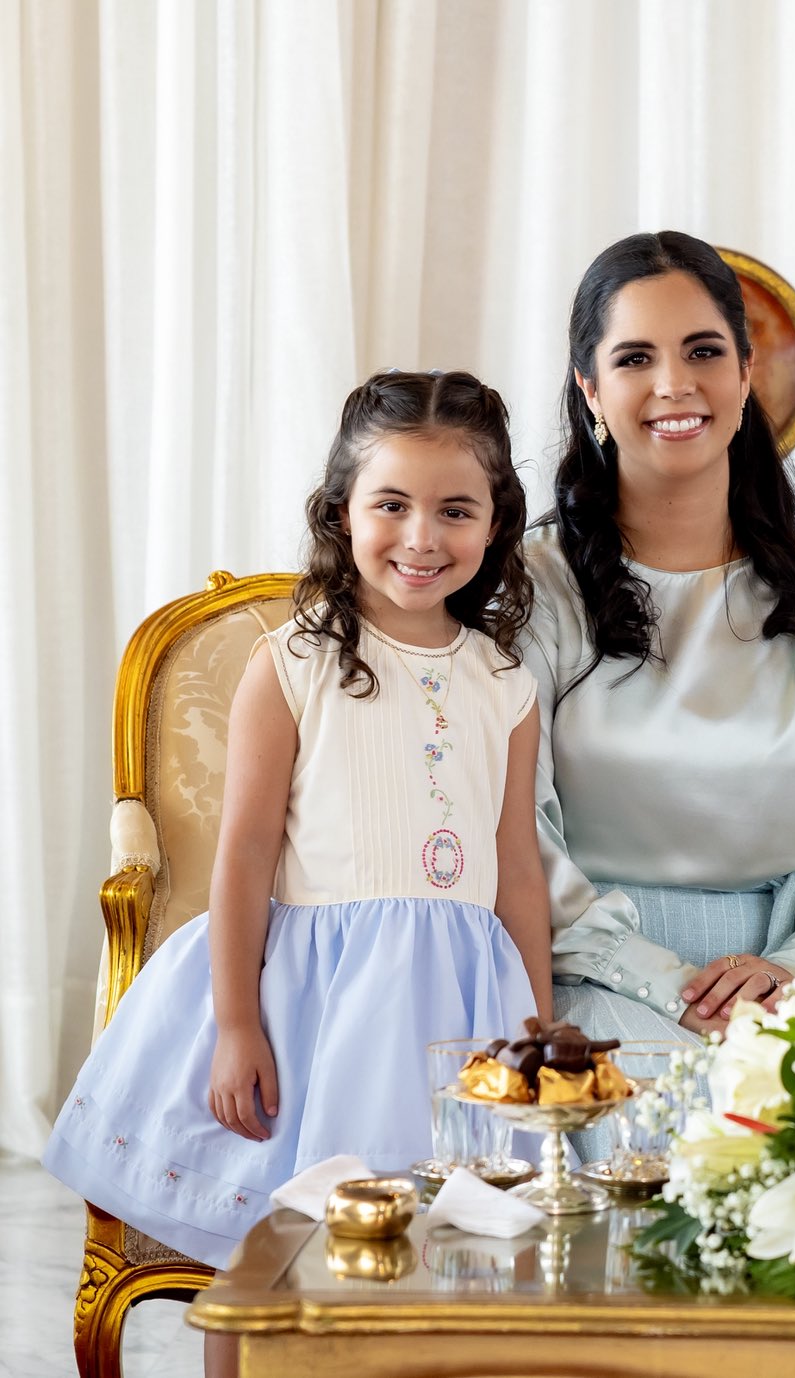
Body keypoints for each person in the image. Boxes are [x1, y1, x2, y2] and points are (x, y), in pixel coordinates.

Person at [44, 370, 551, 1270]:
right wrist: (238, 1025)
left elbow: (516, 867)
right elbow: (243, 855)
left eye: (455, 511)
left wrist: (536, 1035)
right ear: (342, 512)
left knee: (439, 1252)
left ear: (496, 522)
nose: (422, 537)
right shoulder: (293, 662)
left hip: (460, 1007)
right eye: (391, 504)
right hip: (317, 1004)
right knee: (279, 1254)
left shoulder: (506, 684)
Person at [530, 230, 795, 1060]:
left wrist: (794, 972)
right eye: (635, 358)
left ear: (746, 373)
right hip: (592, 986)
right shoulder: (534, 587)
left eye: (703, 351)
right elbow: (517, 840)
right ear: (589, 388)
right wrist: (666, 983)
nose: (675, 384)